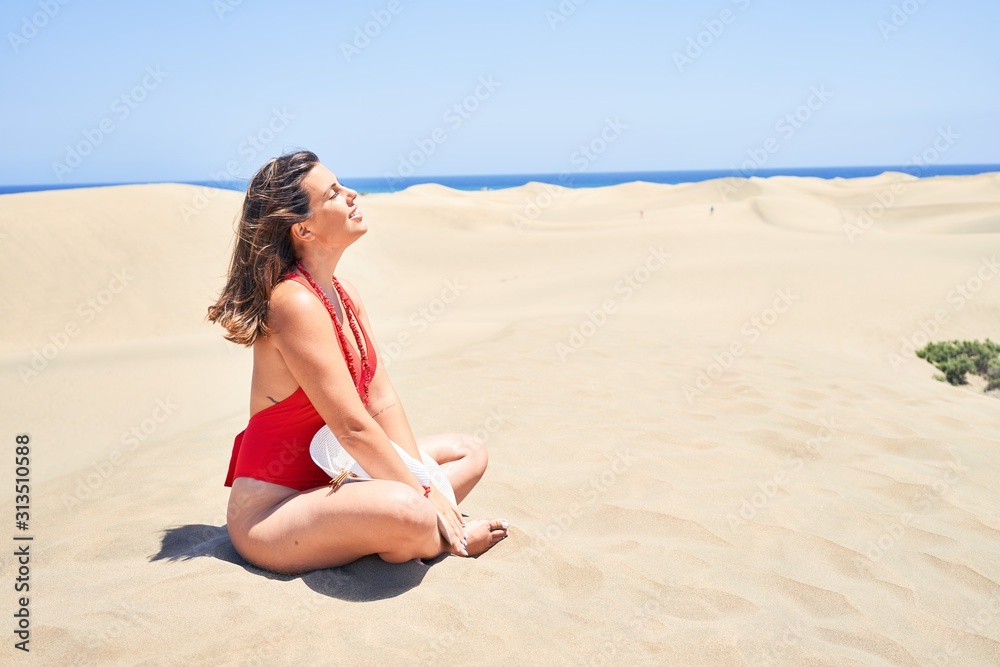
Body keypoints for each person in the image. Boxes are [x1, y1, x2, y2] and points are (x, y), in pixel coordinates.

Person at [207, 150, 507, 574]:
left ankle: (391, 522)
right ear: (304, 228)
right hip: (276, 511)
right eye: (332, 192)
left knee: (469, 452)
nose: (350, 194)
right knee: (412, 510)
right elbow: (351, 426)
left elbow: (380, 400)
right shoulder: (293, 302)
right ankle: (441, 537)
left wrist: (422, 481)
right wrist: (425, 494)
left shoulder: (343, 292)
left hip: (343, 476)